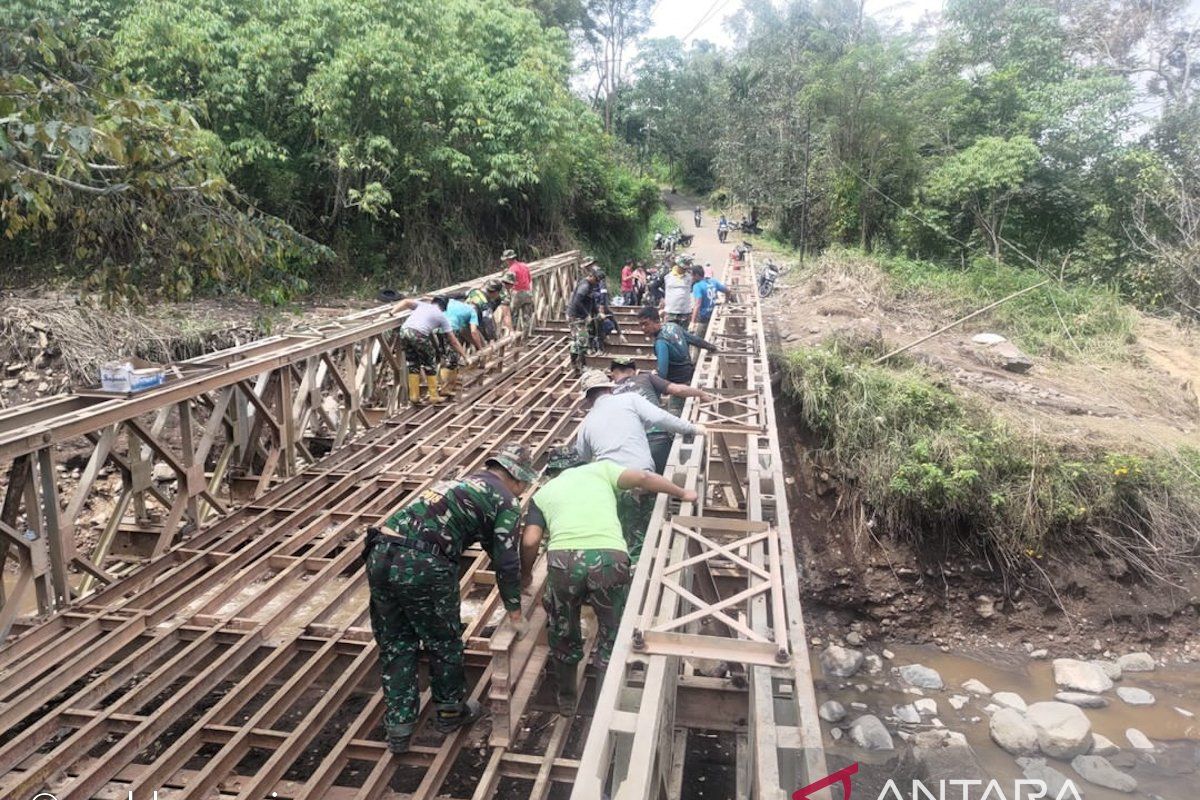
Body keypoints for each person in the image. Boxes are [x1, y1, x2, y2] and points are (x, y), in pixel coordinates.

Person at [364, 442, 537, 754]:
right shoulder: (506, 500)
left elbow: (490, 546)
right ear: (517, 478)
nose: (522, 491)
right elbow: (507, 561)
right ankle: (450, 713)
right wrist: (514, 611)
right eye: (523, 485)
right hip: (424, 563)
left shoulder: (458, 484)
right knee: (443, 640)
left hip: (380, 553)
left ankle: (399, 728)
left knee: (396, 642)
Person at [520, 445, 698, 714]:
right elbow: (644, 479)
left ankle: (567, 698)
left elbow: (531, 540)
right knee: (611, 630)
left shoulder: (544, 493)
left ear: (552, 472)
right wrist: (682, 492)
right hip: (609, 558)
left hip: (564, 562)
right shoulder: (600, 469)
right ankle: (605, 701)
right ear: (580, 463)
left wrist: (525, 574)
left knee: (563, 628)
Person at [574, 368, 703, 559]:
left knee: (625, 536)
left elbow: (582, 458)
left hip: (611, 487)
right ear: (609, 389)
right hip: (643, 478)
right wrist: (692, 428)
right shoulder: (629, 400)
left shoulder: (586, 423)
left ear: (588, 398)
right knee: (648, 532)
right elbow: (660, 418)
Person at [609, 356, 711, 474]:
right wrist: (700, 393)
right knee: (663, 482)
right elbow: (677, 390)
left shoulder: (608, 394)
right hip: (656, 439)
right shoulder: (645, 378)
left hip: (629, 448)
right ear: (634, 371)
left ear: (612, 374)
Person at [395, 296, 468, 405]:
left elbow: (405, 301)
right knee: (430, 363)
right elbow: (453, 341)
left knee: (413, 363)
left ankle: (414, 396)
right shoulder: (442, 317)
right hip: (418, 334)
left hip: (404, 331)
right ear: (444, 307)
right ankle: (434, 396)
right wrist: (465, 356)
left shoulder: (423, 305)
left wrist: (392, 313)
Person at [638, 306, 718, 399]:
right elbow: (695, 340)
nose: (642, 328)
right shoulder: (673, 327)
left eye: (645, 324)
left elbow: (662, 373)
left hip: (679, 385)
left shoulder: (661, 342)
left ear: (656, 321)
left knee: (674, 409)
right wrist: (711, 347)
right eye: (640, 325)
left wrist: (656, 396)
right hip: (688, 373)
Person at [441, 298, 485, 397]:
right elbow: (473, 331)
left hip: (435, 326)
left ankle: (439, 386)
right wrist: (480, 348)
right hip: (450, 329)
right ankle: (445, 388)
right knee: (452, 359)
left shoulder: (453, 301)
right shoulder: (472, 311)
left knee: (442, 357)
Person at [566, 266, 602, 374]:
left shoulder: (591, 285)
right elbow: (577, 301)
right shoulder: (585, 286)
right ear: (592, 276)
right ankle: (579, 365)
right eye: (596, 280)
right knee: (581, 340)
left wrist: (597, 312)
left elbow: (592, 301)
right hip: (576, 316)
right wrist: (587, 315)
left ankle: (576, 365)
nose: (597, 283)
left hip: (580, 316)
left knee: (580, 340)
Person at [689, 265, 733, 332]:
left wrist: (692, 322)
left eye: (692, 275)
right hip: (714, 314)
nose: (691, 277)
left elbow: (697, 304)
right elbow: (728, 291)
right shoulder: (713, 281)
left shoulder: (697, 286)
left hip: (704, 317)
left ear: (697, 275)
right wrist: (726, 302)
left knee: (699, 338)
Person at [502, 249, 534, 335]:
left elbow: (508, 284)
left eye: (506, 260)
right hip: (528, 292)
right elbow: (530, 279)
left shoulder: (512, 269)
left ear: (509, 260)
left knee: (513, 316)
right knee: (527, 317)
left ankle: (514, 335)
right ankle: (525, 337)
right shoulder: (524, 265)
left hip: (517, 294)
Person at [661, 262, 693, 329]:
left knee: (683, 335)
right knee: (669, 334)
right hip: (670, 312)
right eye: (682, 268)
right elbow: (653, 287)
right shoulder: (667, 276)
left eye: (685, 269)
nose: (684, 270)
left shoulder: (689, 277)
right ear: (678, 266)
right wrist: (661, 298)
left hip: (685, 312)